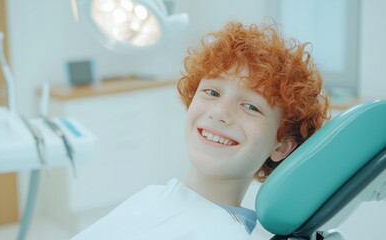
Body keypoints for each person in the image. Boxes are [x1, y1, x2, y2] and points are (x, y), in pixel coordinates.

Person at [72, 20, 329, 240]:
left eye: (251, 107)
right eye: (212, 92)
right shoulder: (152, 196)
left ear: (282, 145)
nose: (219, 112)